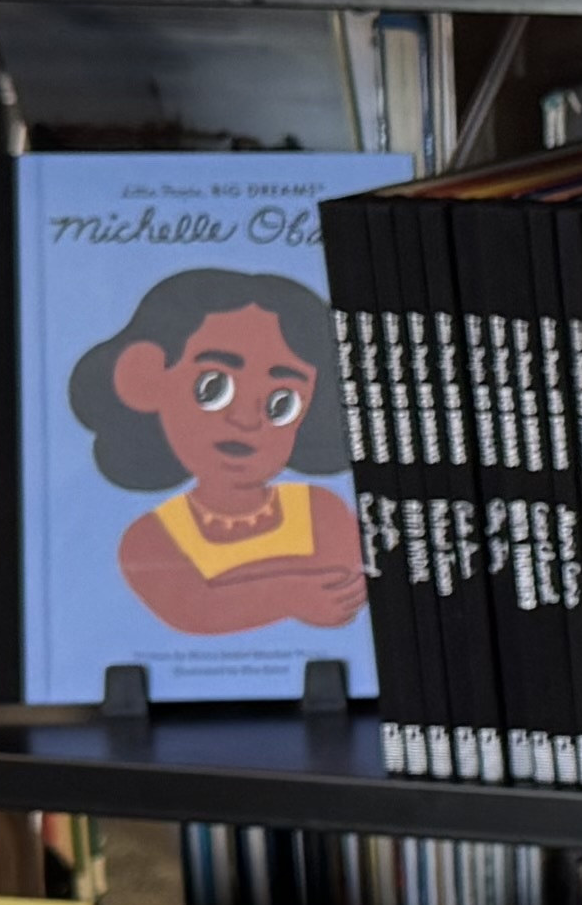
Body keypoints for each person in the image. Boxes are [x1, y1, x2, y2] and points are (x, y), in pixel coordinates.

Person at [67, 266, 368, 637]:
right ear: (143, 379)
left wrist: (240, 591)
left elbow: (344, 594)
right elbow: (195, 609)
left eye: (281, 403)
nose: (244, 419)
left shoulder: (322, 511)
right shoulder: (150, 538)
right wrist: (289, 595)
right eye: (212, 388)